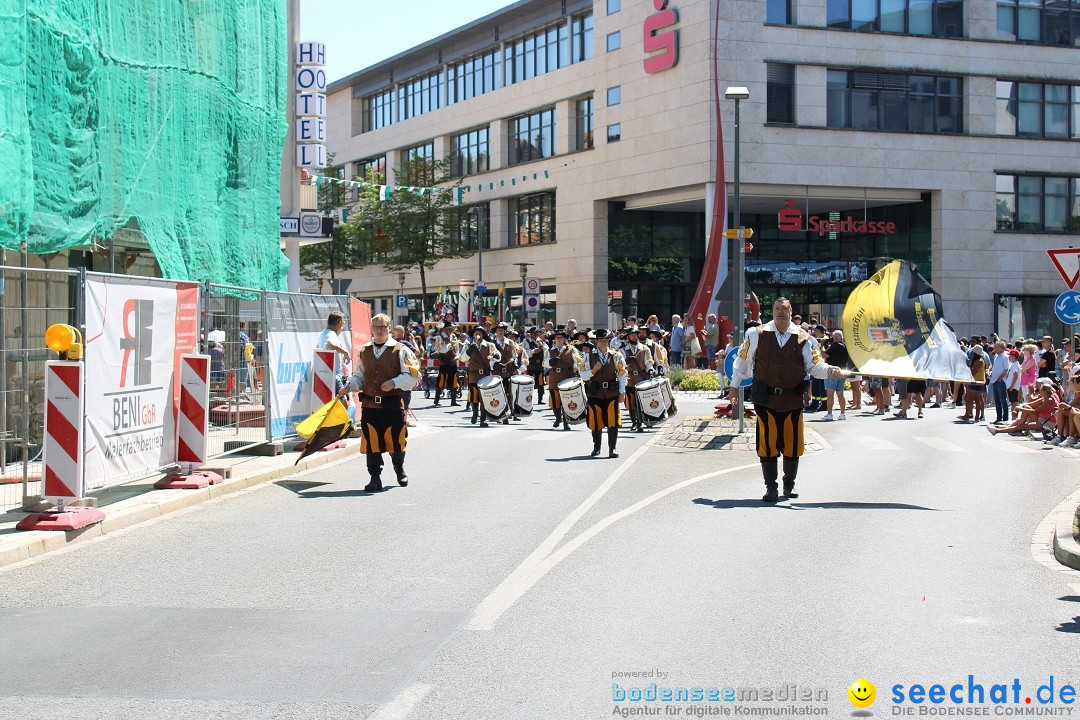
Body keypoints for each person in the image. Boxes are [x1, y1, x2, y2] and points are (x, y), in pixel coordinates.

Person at [729, 297, 842, 502]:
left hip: (792, 398)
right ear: (772, 311)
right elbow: (742, 360)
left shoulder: (805, 338)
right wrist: (734, 386)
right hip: (765, 398)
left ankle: (789, 484)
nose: (781, 312)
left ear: (791, 312)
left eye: (785, 309)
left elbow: (814, 365)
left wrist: (830, 370)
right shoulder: (756, 334)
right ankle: (771, 487)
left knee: (792, 443)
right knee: (768, 443)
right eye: (777, 308)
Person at [339, 314, 420, 492]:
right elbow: (359, 375)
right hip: (370, 405)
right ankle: (375, 478)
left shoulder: (401, 350)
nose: (379, 330)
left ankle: (399, 468)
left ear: (389, 327)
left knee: (397, 440)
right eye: (376, 326)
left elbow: (414, 376)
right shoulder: (365, 350)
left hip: (391, 404)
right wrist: (348, 387)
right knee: (371, 441)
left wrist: (394, 383)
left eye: (383, 326)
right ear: (372, 328)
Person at [577, 329, 628, 458]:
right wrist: (593, 370)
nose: (604, 343)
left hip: (611, 392)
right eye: (601, 340)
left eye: (606, 340)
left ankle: (612, 448)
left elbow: (622, 375)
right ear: (596, 341)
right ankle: (596, 447)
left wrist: (622, 392)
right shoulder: (588, 357)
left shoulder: (617, 356)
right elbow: (583, 376)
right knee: (596, 421)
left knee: (613, 421)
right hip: (594, 393)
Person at [987, 378, 1059, 437]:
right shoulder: (1044, 398)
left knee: (1021, 425)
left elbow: (1036, 411)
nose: (1039, 392)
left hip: (1046, 423)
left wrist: (1020, 409)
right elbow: (1030, 404)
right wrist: (1018, 408)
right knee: (1025, 410)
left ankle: (997, 431)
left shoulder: (1050, 400)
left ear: (1045, 392)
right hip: (1041, 419)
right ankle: (1010, 427)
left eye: (1041, 390)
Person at [464, 326, 501, 427]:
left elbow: (497, 355)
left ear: (483, 335)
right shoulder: (468, 345)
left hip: (484, 375)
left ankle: (483, 419)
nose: (478, 335)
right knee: (473, 397)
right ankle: (475, 413)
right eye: (476, 333)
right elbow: (463, 358)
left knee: (484, 398)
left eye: (480, 333)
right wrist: (470, 349)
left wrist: (496, 356)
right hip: (473, 375)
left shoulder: (489, 345)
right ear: (473, 335)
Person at [622, 327, 656, 432]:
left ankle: (640, 422)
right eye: (631, 335)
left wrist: (650, 370)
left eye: (635, 334)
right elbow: (620, 364)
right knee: (631, 402)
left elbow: (648, 362)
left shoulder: (644, 348)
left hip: (641, 378)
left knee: (640, 402)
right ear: (628, 337)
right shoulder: (622, 350)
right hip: (629, 378)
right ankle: (633, 422)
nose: (634, 336)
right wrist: (627, 360)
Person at [546, 329, 579, 429]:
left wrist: (576, 369)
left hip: (567, 377)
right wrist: (551, 361)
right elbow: (545, 363)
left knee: (566, 400)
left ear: (564, 339)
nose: (559, 339)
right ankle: (557, 418)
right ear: (554, 340)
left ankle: (566, 422)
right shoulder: (550, 350)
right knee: (556, 401)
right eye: (557, 338)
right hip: (554, 377)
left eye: (561, 337)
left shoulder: (571, 349)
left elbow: (577, 361)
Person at [317, 311, 351, 393]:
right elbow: (330, 344)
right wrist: (345, 353)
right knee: (343, 403)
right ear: (339, 323)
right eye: (342, 324)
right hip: (334, 377)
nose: (342, 328)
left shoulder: (323, 334)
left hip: (325, 375)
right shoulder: (331, 334)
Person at [822, 330, 850, 421]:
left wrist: (822, 346)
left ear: (837, 338)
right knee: (840, 393)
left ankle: (829, 414)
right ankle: (842, 414)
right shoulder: (846, 346)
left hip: (833, 371)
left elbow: (824, 355)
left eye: (833, 337)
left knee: (830, 393)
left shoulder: (835, 346)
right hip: (842, 371)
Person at [432, 323, 461, 407]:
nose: (451, 330)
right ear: (445, 329)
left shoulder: (453, 336)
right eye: (449, 328)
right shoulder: (439, 337)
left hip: (452, 362)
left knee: (454, 381)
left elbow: (457, 349)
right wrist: (449, 344)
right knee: (441, 380)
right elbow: (441, 350)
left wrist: (457, 356)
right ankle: (436, 400)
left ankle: (453, 401)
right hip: (444, 362)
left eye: (451, 329)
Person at [522, 326, 547, 404]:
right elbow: (525, 353)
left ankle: (540, 399)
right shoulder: (526, 342)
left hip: (540, 366)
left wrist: (542, 346)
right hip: (531, 366)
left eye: (537, 333)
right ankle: (528, 399)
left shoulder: (541, 341)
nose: (536, 335)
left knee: (541, 383)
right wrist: (533, 351)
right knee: (530, 384)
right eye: (535, 333)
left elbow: (547, 351)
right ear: (531, 334)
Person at [988, 340, 1010, 424]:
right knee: (997, 400)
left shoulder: (1005, 356)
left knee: (1002, 400)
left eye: (996, 346)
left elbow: (1006, 369)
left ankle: (1005, 418)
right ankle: (999, 417)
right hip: (994, 379)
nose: (994, 348)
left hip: (1001, 381)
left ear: (1000, 348)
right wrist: (991, 373)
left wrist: (1000, 378)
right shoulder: (997, 356)